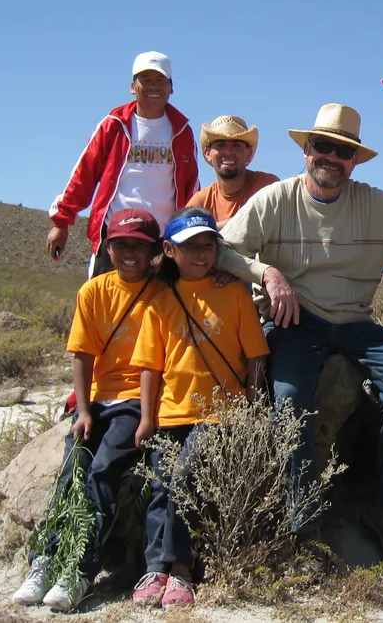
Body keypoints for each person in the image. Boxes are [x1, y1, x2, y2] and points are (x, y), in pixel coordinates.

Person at [216, 103, 383, 560]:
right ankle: (301, 522)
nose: (331, 157)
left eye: (342, 151)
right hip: (295, 322)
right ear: (307, 150)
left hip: (357, 323)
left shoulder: (377, 205)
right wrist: (266, 272)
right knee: (289, 398)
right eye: (322, 146)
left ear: (354, 160)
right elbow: (223, 247)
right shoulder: (275, 200)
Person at [11, 210, 164, 611]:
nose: (129, 253)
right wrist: (82, 410)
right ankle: (44, 560)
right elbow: (82, 354)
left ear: (153, 252)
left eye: (139, 245)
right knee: (73, 466)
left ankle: (79, 568)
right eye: (120, 244)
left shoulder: (164, 293)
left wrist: (148, 416)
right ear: (107, 247)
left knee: (105, 469)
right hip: (98, 395)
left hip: (136, 399)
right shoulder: (94, 291)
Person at [130, 208, 269, 608]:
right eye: (191, 247)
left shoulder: (234, 291)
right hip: (171, 411)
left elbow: (256, 356)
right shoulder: (159, 299)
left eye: (208, 245)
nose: (202, 254)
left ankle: (182, 570)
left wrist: (251, 407)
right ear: (170, 251)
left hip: (219, 410)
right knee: (162, 486)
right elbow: (150, 366)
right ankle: (155, 568)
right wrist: (146, 418)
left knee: (186, 478)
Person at [47, 52, 200, 278]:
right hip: (115, 235)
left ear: (171, 88)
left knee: (160, 311)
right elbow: (84, 175)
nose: (153, 86)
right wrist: (61, 223)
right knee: (105, 306)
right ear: (132, 86)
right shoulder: (114, 125)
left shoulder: (182, 131)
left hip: (161, 241)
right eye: (145, 80)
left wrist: (191, 233)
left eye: (160, 80)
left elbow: (191, 187)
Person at [186, 115, 279, 228]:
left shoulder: (266, 185)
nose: (229, 152)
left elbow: (259, 218)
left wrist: (207, 228)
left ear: (248, 154)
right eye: (220, 145)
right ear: (207, 153)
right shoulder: (201, 201)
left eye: (236, 145)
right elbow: (181, 230)